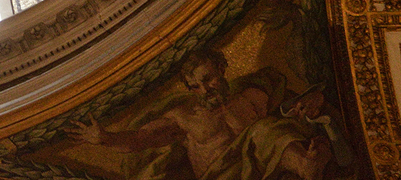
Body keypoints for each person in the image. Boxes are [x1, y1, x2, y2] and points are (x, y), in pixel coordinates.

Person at [66, 48, 344, 180]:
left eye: (208, 79)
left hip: (267, 174)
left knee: (265, 130)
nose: (204, 90)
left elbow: (296, 111)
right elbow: (141, 139)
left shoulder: (255, 94)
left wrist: (314, 99)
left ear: (221, 69)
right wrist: (105, 138)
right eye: (195, 86)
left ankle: (306, 165)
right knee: (261, 131)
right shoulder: (186, 117)